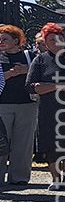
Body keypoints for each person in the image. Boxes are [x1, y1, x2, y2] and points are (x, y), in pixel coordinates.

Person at [27, 23, 65, 189]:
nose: (55, 42)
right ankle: (55, 178)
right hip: (49, 110)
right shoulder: (39, 60)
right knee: (51, 143)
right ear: (45, 43)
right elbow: (32, 86)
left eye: (58, 38)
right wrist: (57, 86)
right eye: (51, 39)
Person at [0, 25, 38, 185]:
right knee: (1, 142)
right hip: (3, 105)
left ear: (16, 40)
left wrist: (26, 70)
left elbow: (42, 72)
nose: (0, 42)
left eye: (4, 39)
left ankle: (19, 178)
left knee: (24, 142)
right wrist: (6, 75)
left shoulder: (30, 56)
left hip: (27, 104)